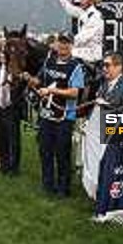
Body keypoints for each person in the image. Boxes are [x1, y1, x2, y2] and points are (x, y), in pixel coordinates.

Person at [33, 31, 85, 197]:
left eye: (66, 42)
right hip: (46, 114)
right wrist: (32, 80)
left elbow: (75, 92)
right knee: (45, 150)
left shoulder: (76, 66)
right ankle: (48, 185)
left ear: (71, 45)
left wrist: (52, 90)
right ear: (56, 44)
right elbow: (39, 80)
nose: (63, 45)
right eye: (61, 42)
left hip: (64, 117)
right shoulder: (48, 62)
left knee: (62, 153)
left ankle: (63, 188)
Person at [50, 0, 104, 64]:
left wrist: (63, 45)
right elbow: (68, 8)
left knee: (62, 54)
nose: (80, 0)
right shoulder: (83, 12)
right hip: (81, 50)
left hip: (91, 54)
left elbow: (82, 38)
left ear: (91, 0)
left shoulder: (96, 17)